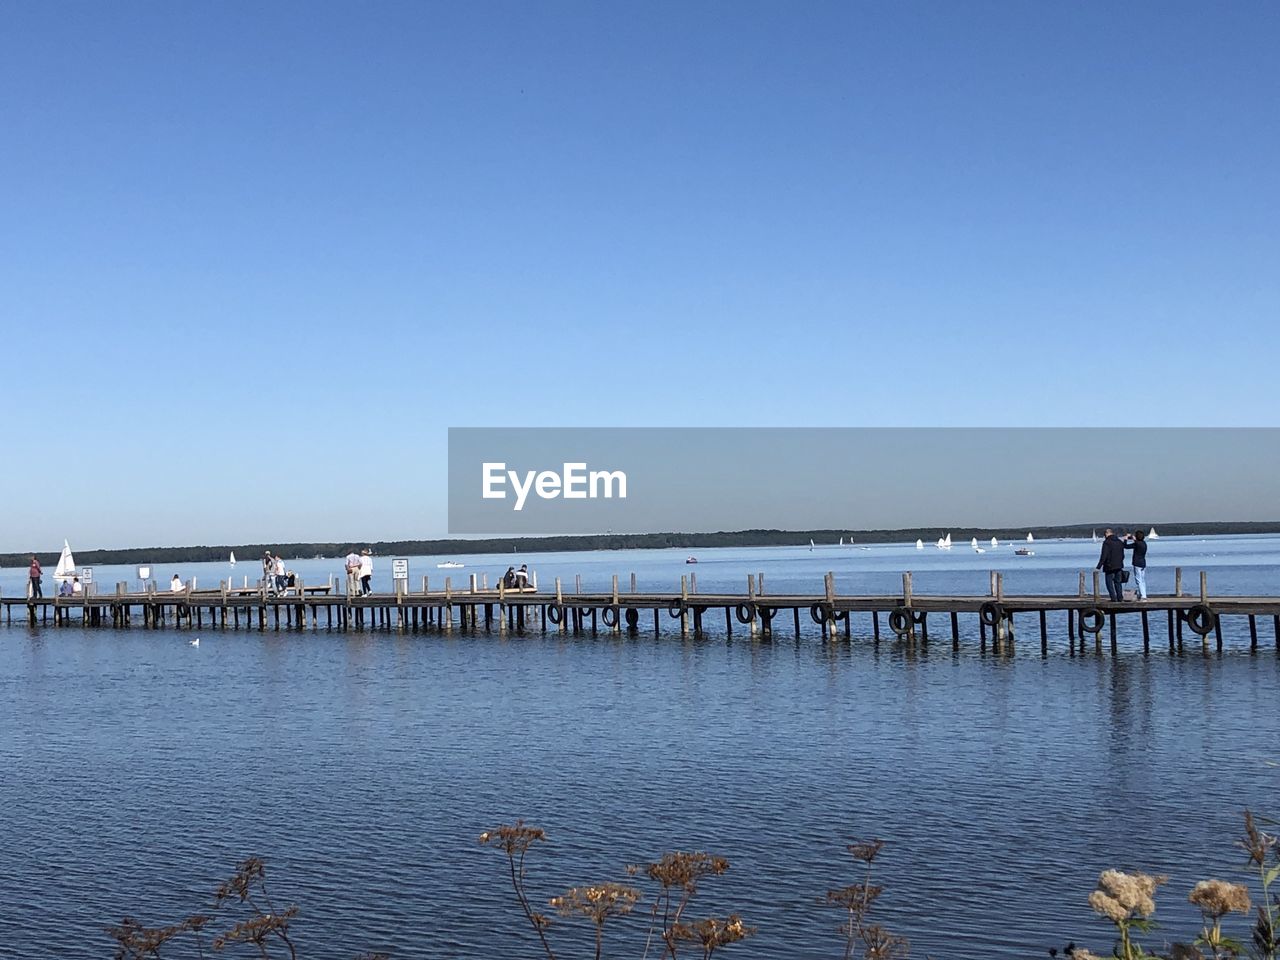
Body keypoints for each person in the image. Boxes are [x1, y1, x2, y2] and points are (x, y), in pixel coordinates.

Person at [1096, 528, 1126, 602]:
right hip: (1119, 565)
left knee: (1109, 582)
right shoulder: (1119, 542)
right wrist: (1120, 562)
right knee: (1118, 582)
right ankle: (1120, 597)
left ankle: (1113, 597)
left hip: (1109, 566)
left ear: (1107, 533)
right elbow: (1122, 555)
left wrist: (1098, 567)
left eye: (1104, 534)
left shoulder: (1107, 542)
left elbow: (1104, 555)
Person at [1124, 530, 1149, 600]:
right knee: (1143, 580)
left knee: (1138, 580)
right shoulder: (1144, 543)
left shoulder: (1137, 544)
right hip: (1143, 563)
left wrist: (1126, 539)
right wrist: (1133, 538)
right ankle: (1144, 594)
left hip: (1137, 564)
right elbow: (1137, 541)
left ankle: (1143, 596)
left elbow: (1125, 546)